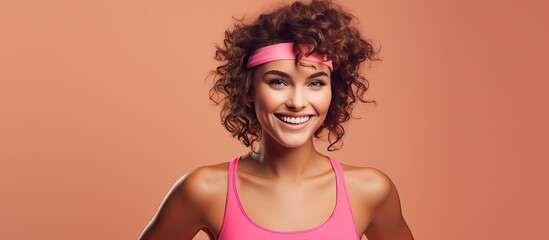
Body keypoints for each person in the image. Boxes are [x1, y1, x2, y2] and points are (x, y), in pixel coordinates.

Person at [139, 0, 414, 239]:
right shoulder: (204, 190)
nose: (297, 102)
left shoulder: (370, 191)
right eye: (278, 82)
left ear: (334, 91)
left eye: (315, 83)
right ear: (248, 90)